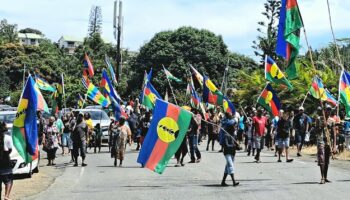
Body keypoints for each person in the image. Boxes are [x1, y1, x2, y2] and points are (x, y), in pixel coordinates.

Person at [315, 107, 335, 184]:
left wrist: (334, 146)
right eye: (327, 110)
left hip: (328, 142)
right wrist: (322, 125)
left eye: (330, 110)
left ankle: (325, 177)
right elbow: (316, 131)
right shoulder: (319, 119)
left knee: (327, 160)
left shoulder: (332, 120)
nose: (328, 112)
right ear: (324, 110)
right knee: (321, 158)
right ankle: (322, 177)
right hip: (321, 140)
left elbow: (333, 134)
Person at [221, 121, 239, 187]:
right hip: (227, 152)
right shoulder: (226, 135)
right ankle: (234, 181)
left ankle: (223, 182)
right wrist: (234, 145)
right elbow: (226, 145)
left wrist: (238, 147)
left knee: (227, 167)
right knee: (230, 165)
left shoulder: (234, 135)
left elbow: (235, 145)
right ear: (230, 127)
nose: (235, 127)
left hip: (232, 153)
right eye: (234, 126)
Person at [0, 122, 13, 200]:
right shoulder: (8, 137)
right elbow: (10, 150)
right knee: (9, 180)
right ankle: (6, 196)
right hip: (5, 161)